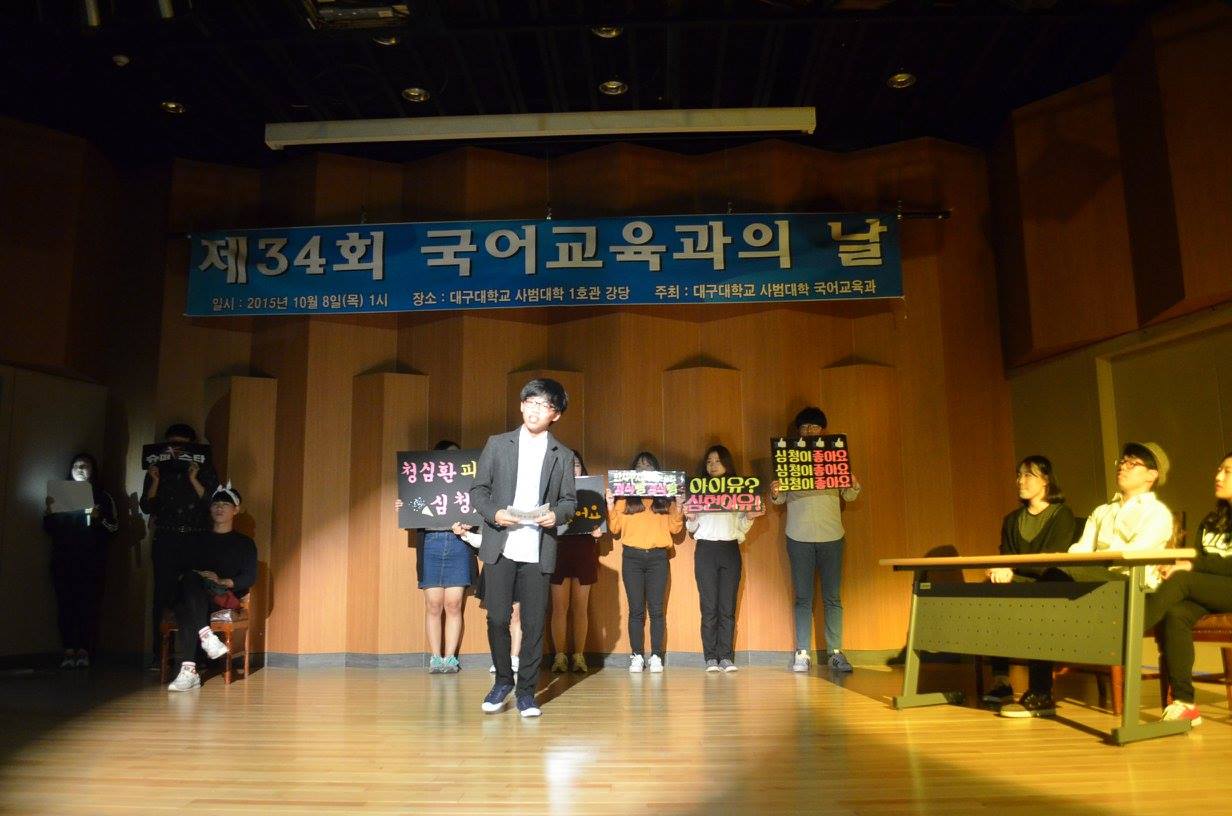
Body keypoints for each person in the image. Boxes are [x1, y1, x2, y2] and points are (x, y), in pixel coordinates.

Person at [1000, 441, 1174, 718]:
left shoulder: (1157, 513)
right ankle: (1039, 691)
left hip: (1132, 585)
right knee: (1041, 593)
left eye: (1132, 463)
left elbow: (1133, 556)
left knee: (1053, 580)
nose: (1123, 466)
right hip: (1095, 580)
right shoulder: (1102, 511)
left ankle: (1041, 691)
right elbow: (1079, 551)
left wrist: (1078, 566)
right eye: (1122, 461)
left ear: (1151, 475)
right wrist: (1072, 565)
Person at [469, 378, 577, 718]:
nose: (535, 410)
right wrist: (495, 513)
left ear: (555, 415)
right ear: (521, 405)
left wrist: (556, 515)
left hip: (538, 548)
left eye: (544, 405)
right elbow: (478, 490)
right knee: (497, 618)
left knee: (533, 623)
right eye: (530, 402)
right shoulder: (497, 444)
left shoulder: (563, 455)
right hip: (502, 544)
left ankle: (527, 692)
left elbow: (569, 502)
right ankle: (503, 681)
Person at [1141, 451, 1232, 726]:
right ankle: (1185, 703)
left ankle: (1129, 631)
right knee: (1176, 613)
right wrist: (1185, 565)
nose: (1218, 476)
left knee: (1181, 579)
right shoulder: (1211, 521)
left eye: (1227, 471)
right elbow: (1202, 564)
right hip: (1212, 589)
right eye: (1218, 469)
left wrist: (1190, 565)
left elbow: (1207, 566)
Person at [769, 407, 862, 673]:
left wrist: (852, 482)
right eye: (805, 427)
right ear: (798, 431)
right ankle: (802, 652)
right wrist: (774, 491)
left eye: (814, 426)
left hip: (832, 535)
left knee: (832, 597)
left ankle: (835, 652)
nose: (809, 430)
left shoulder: (833, 457)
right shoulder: (788, 459)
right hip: (798, 536)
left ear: (823, 431)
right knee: (803, 598)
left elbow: (850, 495)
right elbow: (779, 499)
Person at [981, 455, 1076, 705]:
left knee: (1038, 599)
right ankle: (1001, 680)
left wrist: (1011, 570)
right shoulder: (1012, 520)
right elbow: (1007, 556)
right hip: (1020, 584)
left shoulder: (1061, 514)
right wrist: (999, 569)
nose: (1020, 481)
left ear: (1045, 480)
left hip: (1050, 584)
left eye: (1027, 475)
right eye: (1018, 475)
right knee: (991, 591)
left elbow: (1052, 559)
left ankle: (1041, 689)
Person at [166, 483, 258, 692]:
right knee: (189, 582)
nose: (219, 507)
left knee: (184, 604)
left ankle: (189, 671)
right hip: (196, 593)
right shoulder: (197, 539)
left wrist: (223, 581)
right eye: (216, 504)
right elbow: (182, 567)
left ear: (235, 510)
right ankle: (206, 638)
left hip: (221, 596)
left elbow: (249, 576)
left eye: (225, 504)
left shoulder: (244, 543)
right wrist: (200, 575)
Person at [140, 423, 219, 664]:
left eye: (182, 445)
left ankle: (197, 654)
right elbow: (147, 506)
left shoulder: (204, 468)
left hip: (196, 537)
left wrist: (193, 478)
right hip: (166, 537)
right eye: (171, 444)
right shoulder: (157, 469)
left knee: (196, 591)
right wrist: (155, 480)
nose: (176, 450)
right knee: (162, 594)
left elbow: (212, 502)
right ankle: (160, 654)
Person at [685, 444, 763, 672]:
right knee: (709, 607)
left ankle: (726, 657)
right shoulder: (698, 490)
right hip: (705, 550)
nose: (713, 465)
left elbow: (742, 527)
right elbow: (692, 528)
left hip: (730, 549)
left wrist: (750, 517)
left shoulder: (738, 490)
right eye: (709, 461)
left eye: (717, 461)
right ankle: (710, 657)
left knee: (727, 607)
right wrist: (691, 518)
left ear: (727, 464)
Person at [607, 451, 685, 674]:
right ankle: (637, 655)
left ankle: (657, 655)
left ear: (656, 471)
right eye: (639, 467)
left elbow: (675, 529)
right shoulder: (625, 498)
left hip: (658, 558)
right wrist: (611, 505)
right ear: (632, 472)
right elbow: (614, 528)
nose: (643, 470)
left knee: (657, 610)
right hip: (632, 557)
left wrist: (679, 506)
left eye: (648, 466)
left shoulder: (664, 498)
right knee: (636, 610)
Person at [42, 453, 118, 669]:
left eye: (85, 465)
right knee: (65, 605)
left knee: (88, 606)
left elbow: (114, 528)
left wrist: (98, 518)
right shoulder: (60, 494)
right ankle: (68, 650)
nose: (81, 469)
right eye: (76, 465)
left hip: (91, 561)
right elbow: (49, 528)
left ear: (93, 470)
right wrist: (49, 513)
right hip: (63, 559)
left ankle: (84, 650)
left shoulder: (102, 496)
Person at [411, 441, 477, 674]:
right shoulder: (424, 483)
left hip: (458, 543)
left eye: (455, 458)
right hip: (431, 543)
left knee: (454, 604)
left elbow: (477, 511)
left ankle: (450, 658)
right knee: (433, 604)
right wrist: (404, 506)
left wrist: (470, 525)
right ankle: (435, 657)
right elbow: (413, 507)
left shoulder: (468, 485)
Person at [550, 452, 603, 674]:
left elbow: (600, 524)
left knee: (581, 608)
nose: (573, 469)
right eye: (569, 465)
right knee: (559, 608)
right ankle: (559, 656)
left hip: (584, 551)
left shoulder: (592, 492)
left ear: (583, 469)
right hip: (558, 550)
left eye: (577, 465)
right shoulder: (552, 491)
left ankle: (579, 656)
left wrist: (598, 532)